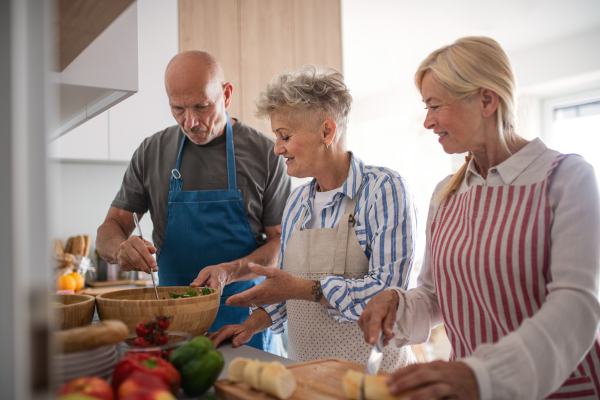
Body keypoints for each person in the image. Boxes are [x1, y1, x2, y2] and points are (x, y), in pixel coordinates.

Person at [358, 36, 600, 399]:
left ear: (486, 100)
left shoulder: (567, 178)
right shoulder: (446, 194)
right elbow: (437, 296)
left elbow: (576, 305)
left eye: (435, 105)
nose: (427, 121)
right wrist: (399, 304)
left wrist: (484, 376)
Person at [201, 65, 417, 371]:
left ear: (327, 131)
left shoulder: (384, 190)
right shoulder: (297, 201)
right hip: (306, 378)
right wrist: (252, 324)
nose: (277, 148)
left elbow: (387, 294)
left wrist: (299, 288)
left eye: (285, 136)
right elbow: (289, 295)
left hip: (376, 380)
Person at [96, 51, 291, 354]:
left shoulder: (266, 154)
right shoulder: (151, 152)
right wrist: (119, 249)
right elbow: (110, 228)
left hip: (244, 327)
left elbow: (281, 244)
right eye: (177, 109)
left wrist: (229, 271)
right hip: (173, 329)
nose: (190, 121)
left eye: (202, 106)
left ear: (225, 95)